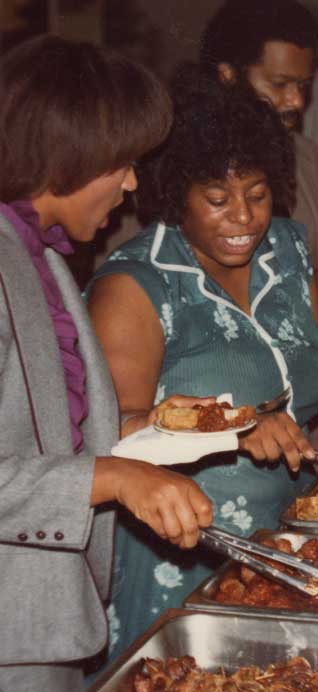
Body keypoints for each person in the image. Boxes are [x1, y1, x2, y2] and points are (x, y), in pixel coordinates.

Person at [85, 66, 318, 665]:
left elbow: (300, 356)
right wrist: (234, 426)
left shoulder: (289, 249)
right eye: (217, 199)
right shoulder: (135, 285)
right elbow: (111, 434)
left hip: (292, 538)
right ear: (175, 195)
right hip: (190, 550)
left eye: (258, 194)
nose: (243, 217)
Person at [0, 37, 213, 692]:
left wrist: (149, 427)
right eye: (120, 163)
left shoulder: (43, 256)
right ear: (66, 153)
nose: (130, 182)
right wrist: (115, 476)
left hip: (45, 617)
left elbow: (47, 428)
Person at [200, 0, 318, 457]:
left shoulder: (307, 156)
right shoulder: (189, 170)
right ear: (228, 74)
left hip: (316, 397)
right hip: (238, 418)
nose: (296, 102)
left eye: (303, 86)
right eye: (280, 84)